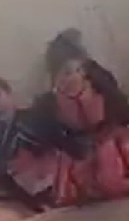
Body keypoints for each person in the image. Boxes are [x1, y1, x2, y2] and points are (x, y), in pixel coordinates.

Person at [33, 28, 129, 205]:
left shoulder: (101, 82)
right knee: (73, 193)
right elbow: (49, 136)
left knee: (111, 182)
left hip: (110, 138)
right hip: (77, 149)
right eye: (61, 74)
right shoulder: (47, 103)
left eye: (71, 71)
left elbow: (122, 110)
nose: (67, 78)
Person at [0, 75, 58, 199]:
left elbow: (49, 144)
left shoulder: (32, 116)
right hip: (10, 183)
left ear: (8, 94)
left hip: (44, 173)